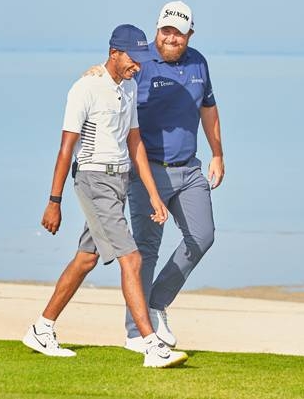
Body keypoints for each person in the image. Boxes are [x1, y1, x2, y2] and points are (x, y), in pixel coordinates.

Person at [21, 24, 188, 368]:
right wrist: (54, 201)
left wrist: (154, 196)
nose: (138, 66)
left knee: (87, 258)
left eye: (142, 60)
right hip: (93, 180)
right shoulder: (85, 89)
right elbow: (66, 148)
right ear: (114, 53)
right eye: (133, 58)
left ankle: (42, 327)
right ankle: (151, 344)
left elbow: (135, 142)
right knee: (132, 258)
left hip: (120, 181)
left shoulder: (128, 88)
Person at [122, 1, 225, 352]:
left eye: (178, 33)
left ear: (189, 35)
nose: (171, 38)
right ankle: (137, 332)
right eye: (166, 30)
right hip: (148, 171)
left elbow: (208, 109)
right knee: (146, 249)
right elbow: (110, 78)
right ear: (157, 29)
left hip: (190, 167)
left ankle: (156, 303)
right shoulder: (139, 60)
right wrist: (95, 73)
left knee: (202, 236)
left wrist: (218, 154)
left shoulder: (198, 62)